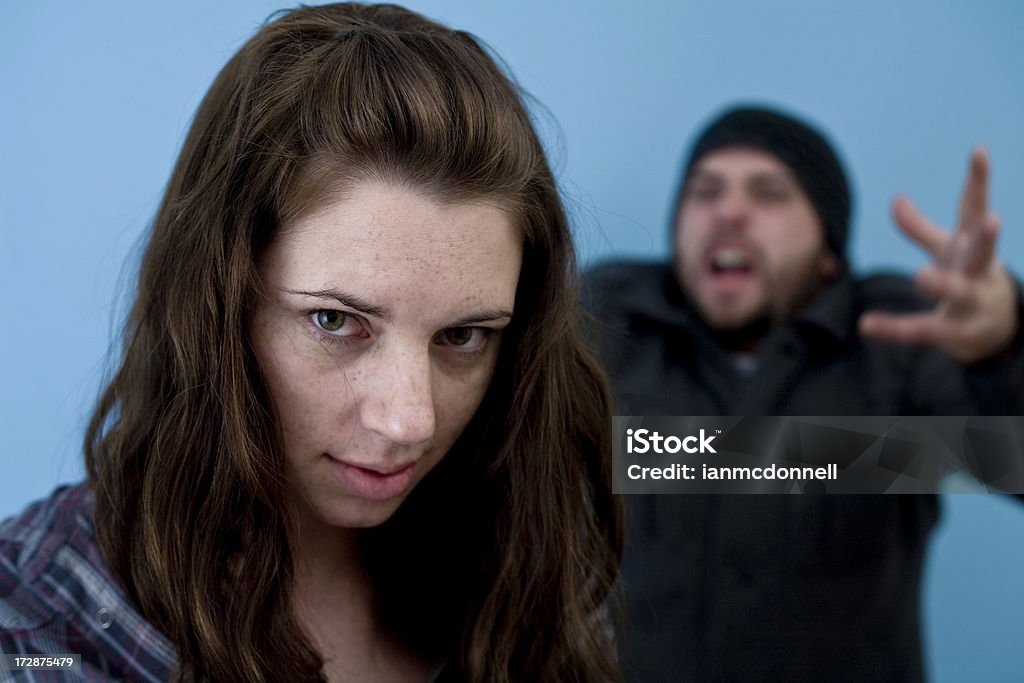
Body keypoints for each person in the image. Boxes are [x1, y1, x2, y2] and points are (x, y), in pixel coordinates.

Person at [0, 4, 623, 682]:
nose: (409, 418)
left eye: (463, 335)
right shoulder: (37, 625)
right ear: (214, 305)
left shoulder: (523, 568)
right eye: (335, 321)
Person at [583, 105, 1024, 681]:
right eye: (704, 192)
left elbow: (1010, 461)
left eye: (768, 194)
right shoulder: (607, 317)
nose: (728, 212)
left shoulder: (899, 336)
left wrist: (1002, 350)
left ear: (828, 250)